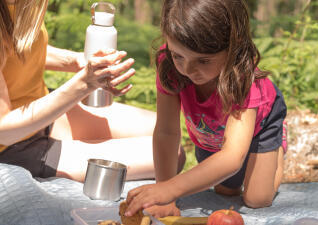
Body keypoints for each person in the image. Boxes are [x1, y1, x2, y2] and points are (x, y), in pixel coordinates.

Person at [124, 0, 287, 218]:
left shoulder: (244, 81)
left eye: (203, 60)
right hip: (211, 130)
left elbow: (231, 158)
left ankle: (278, 144)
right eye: (178, 55)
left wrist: (171, 188)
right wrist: (164, 193)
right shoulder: (170, 66)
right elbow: (167, 132)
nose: (188, 70)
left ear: (232, 49)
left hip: (261, 122)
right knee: (225, 191)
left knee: (256, 199)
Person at [0, 0, 186, 182]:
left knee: (162, 131)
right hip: (12, 145)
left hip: (41, 113)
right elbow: (4, 131)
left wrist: (74, 61)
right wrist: (84, 84)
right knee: (170, 156)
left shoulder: (26, 4)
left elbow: (19, 47)